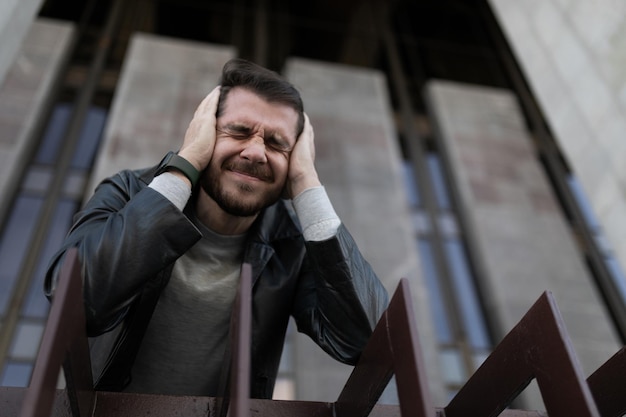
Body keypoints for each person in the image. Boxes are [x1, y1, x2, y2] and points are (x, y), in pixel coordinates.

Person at [45, 58, 388, 399]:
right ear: (205, 130)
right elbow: (77, 300)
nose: (255, 152)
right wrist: (188, 162)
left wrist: (307, 182)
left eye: (276, 143)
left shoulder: (292, 242)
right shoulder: (131, 192)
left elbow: (365, 341)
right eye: (239, 131)